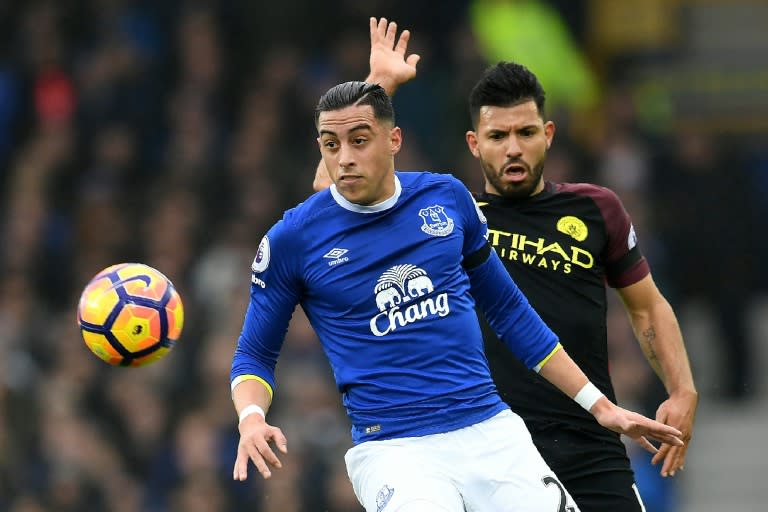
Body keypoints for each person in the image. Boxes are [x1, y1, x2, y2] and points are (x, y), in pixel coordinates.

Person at [230, 79, 683, 512]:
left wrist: (602, 407)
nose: (345, 158)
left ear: (394, 141)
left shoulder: (445, 200)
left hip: (490, 431)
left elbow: (510, 312)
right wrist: (251, 417)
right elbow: (254, 352)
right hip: (395, 448)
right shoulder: (292, 239)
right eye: (331, 145)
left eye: (360, 141)